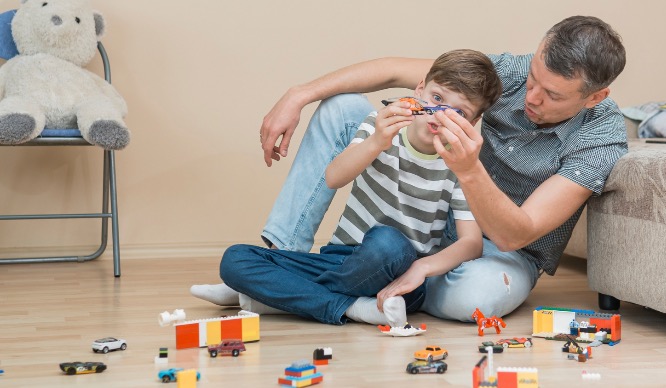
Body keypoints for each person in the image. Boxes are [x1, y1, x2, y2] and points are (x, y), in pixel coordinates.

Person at [193, 15, 628, 322]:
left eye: (551, 95)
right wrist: (298, 93)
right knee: (341, 105)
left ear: (595, 97)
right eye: (532, 79)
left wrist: (471, 172)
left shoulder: (601, 139)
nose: (531, 96)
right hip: (421, 220)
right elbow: (393, 71)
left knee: (471, 301)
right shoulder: (514, 73)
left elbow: (517, 232)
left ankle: (283, 289)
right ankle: (281, 258)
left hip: (497, 247)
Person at [192, 49, 502, 326]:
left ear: (472, 122)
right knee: (235, 259)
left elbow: (471, 244)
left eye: (458, 112)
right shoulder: (377, 125)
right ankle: (352, 307)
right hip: (341, 258)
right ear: (419, 89)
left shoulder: (462, 164)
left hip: (400, 275)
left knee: (387, 241)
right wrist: (376, 142)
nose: (441, 114)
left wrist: (421, 269)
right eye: (437, 99)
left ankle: (274, 293)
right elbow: (332, 177)